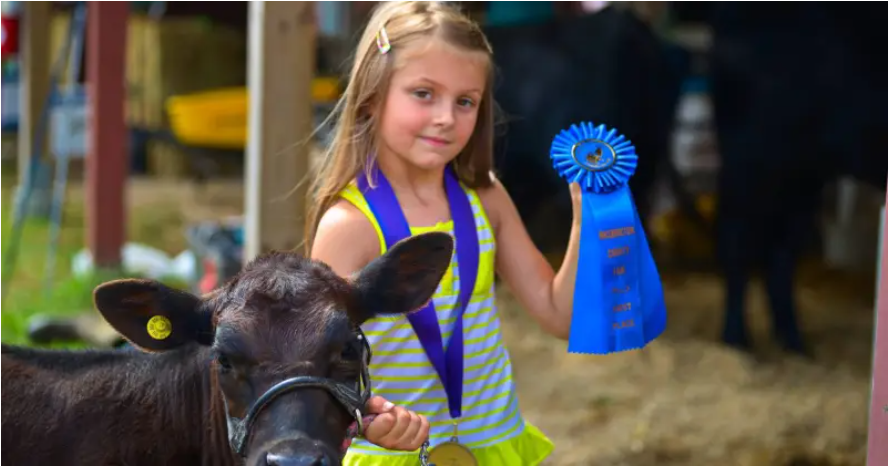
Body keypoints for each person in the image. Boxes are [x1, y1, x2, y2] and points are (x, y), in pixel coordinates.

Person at [308, 2, 582, 465]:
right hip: (392, 457)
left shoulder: (486, 197)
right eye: (423, 94)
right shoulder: (350, 227)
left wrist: (584, 222)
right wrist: (371, 424)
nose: (445, 118)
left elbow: (560, 316)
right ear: (374, 95)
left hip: (492, 445)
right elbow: (317, 378)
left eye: (465, 101)